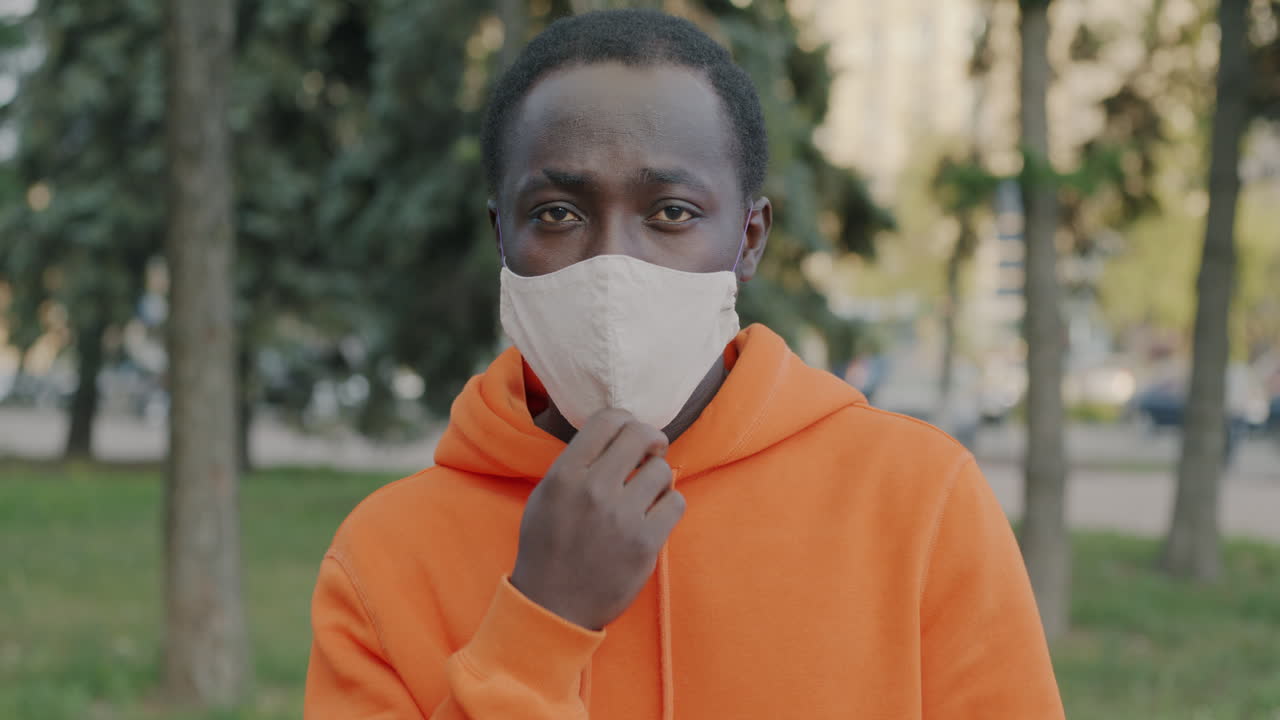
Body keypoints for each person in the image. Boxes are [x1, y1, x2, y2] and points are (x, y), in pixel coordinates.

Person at [304, 9, 1064, 719]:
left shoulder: (920, 501)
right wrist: (539, 626)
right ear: (502, 236)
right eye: (558, 214)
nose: (612, 265)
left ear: (749, 238)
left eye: (671, 212)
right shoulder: (384, 558)